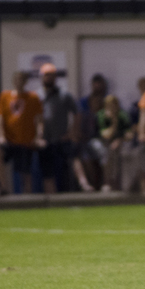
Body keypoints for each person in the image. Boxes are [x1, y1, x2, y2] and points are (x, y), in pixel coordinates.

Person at [37, 63, 89, 193]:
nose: (49, 78)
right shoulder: (36, 96)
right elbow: (35, 118)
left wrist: (72, 132)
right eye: (47, 75)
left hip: (62, 137)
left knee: (73, 158)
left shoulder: (64, 94)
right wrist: (38, 135)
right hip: (45, 139)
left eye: (52, 75)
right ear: (41, 77)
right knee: (47, 170)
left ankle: (84, 183)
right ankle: (51, 197)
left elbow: (77, 113)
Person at [0, 71, 44, 194]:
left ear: (26, 82)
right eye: (17, 79)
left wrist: (38, 137)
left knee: (26, 174)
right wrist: (1, 136)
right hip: (9, 141)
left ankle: (28, 202)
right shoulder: (5, 96)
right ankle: (3, 187)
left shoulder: (33, 97)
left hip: (25, 142)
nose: (19, 82)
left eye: (22, 79)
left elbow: (39, 121)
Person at [96, 95, 132, 191]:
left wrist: (119, 140)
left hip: (121, 143)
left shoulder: (123, 115)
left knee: (123, 153)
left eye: (114, 105)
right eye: (109, 106)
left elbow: (129, 134)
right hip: (104, 143)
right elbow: (106, 135)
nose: (112, 108)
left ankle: (122, 184)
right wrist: (114, 121)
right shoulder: (101, 115)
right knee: (107, 153)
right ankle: (108, 182)